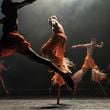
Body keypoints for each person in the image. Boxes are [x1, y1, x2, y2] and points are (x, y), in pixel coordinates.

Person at [0, 0, 74, 89]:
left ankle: (62, 73)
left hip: (10, 39)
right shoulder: (9, 17)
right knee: (37, 59)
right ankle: (63, 74)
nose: (1, 9)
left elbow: (26, 2)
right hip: (16, 41)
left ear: (8, 6)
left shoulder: (13, 8)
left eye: (2, 7)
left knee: (40, 55)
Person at [41, 15, 74, 104]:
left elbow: (53, 23)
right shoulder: (60, 25)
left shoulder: (53, 20)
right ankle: (59, 64)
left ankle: (57, 62)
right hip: (63, 38)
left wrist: (52, 24)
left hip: (59, 36)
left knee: (44, 49)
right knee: (56, 54)